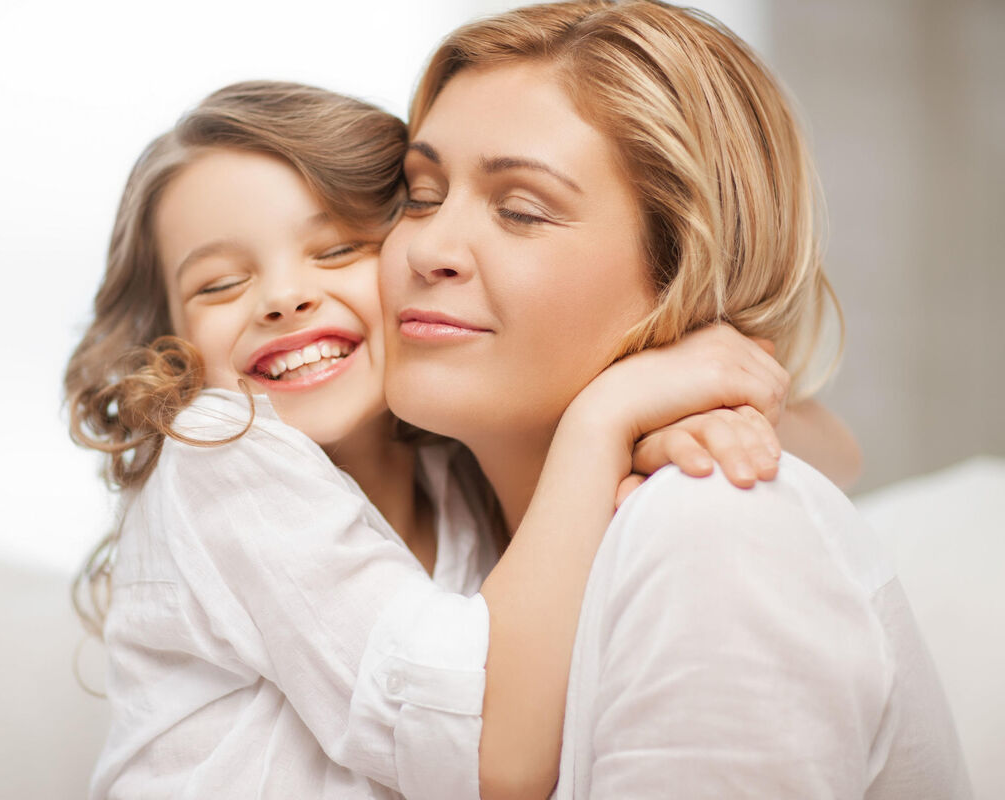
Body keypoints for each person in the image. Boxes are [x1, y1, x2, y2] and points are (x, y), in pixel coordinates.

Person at [64, 79, 857, 798]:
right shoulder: (217, 447)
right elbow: (485, 758)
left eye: (337, 250)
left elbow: (834, 455)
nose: (282, 298)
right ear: (170, 345)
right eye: (219, 285)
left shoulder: (451, 459)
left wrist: (669, 419)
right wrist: (607, 419)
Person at [379, 1, 971, 797]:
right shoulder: (434, 530)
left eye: (520, 210)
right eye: (420, 195)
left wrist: (607, 416)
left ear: (683, 268)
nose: (429, 248)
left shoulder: (713, 529)